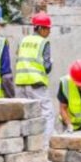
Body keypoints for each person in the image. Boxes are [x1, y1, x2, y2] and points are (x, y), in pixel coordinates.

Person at [15, 11, 53, 145]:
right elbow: (47, 66)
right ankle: (45, 148)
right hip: (36, 83)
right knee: (47, 114)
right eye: (48, 28)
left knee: (24, 116)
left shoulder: (23, 40)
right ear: (41, 28)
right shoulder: (43, 43)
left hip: (20, 83)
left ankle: (24, 146)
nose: (49, 32)